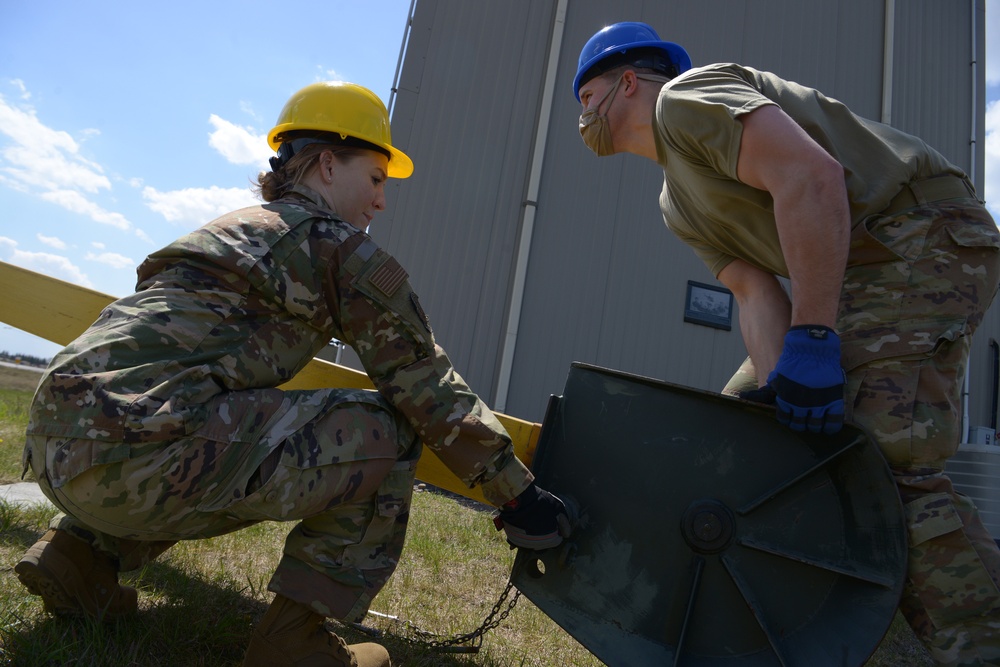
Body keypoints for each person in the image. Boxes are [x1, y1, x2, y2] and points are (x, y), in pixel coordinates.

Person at [15, 81, 569, 667]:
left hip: (56, 441)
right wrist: (519, 495)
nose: (382, 202)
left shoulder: (230, 227)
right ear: (328, 164)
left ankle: (76, 560)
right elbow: (423, 381)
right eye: (377, 179)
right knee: (389, 428)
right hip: (143, 456)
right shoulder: (336, 249)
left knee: (210, 418)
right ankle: (294, 642)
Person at [574, 20, 1000, 667]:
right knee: (752, 439)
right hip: (861, 271)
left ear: (627, 83)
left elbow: (813, 178)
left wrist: (816, 340)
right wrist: (782, 399)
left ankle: (979, 641)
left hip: (920, 233)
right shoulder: (676, 203)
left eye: (586, 99)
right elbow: (754, 294)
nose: (582, 118)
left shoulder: (689, 99)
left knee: (880, 459)